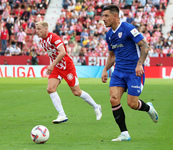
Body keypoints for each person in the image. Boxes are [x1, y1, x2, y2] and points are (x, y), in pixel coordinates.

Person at [101, 5, 159, 142]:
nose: (103, 19)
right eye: (103, 16)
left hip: (134, 72)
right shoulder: (109, 35)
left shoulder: (128, 28)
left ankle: (148, 108)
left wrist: (139, 64)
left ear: (115, 16)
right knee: (113, 99)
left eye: (106, 16)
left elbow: (145, 45)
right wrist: (105, 70)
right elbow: (111, 56)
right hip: (118, 71)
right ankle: (124, 133)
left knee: (132, 104)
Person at [35, 21, 102, 123]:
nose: (37, 31)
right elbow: (53, 54)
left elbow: (63, 52)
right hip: (57, 67)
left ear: (45, 29)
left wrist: (51, 65)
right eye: (36, 29)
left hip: (67, 66)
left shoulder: (54, 37)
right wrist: (53, 65)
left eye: (39, 29)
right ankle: (62, 115)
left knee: (76, 92)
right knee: (50, 89)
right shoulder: (42, 41)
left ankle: (96, 106)